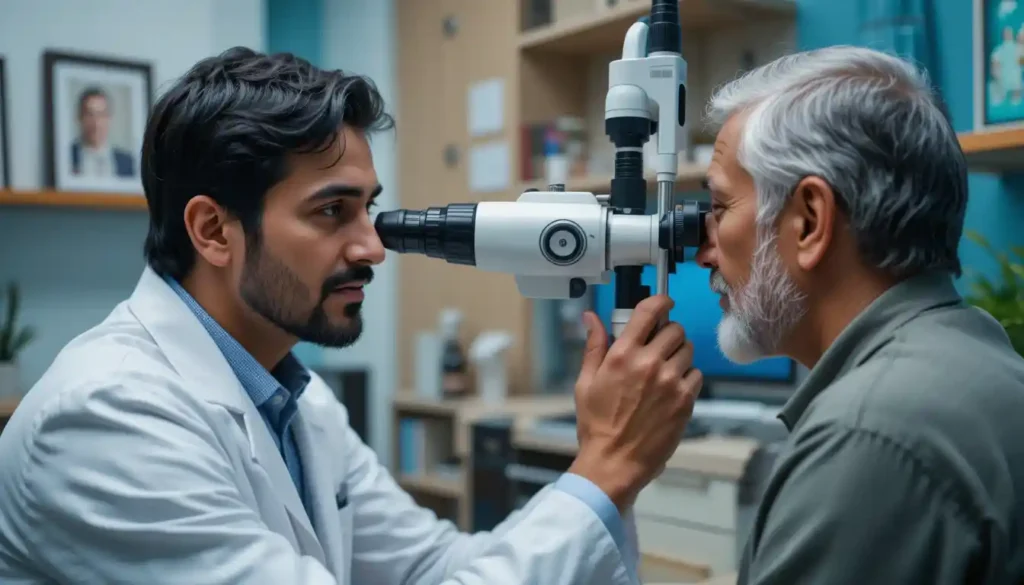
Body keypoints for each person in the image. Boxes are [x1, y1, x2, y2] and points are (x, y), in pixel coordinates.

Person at [0, 47, 703, 585]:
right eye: (332, 211)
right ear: (213, 230)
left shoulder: (294, 400)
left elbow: (432, 566)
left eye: (369, 207)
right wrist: (606, 467)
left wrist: (606, 468)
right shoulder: (107, 414)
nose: (373, 246)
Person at [696, 45, 1024, 584]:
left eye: (719, 208)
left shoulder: (867, 435)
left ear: (809, 221)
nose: (704, 250)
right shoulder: (978, 354)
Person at [70, 87, 136, 178]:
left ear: (109, 118)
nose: (96, 122)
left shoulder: (127, 162)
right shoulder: (68, 157)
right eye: (90, 114)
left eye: (101, 115)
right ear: (80, 118)